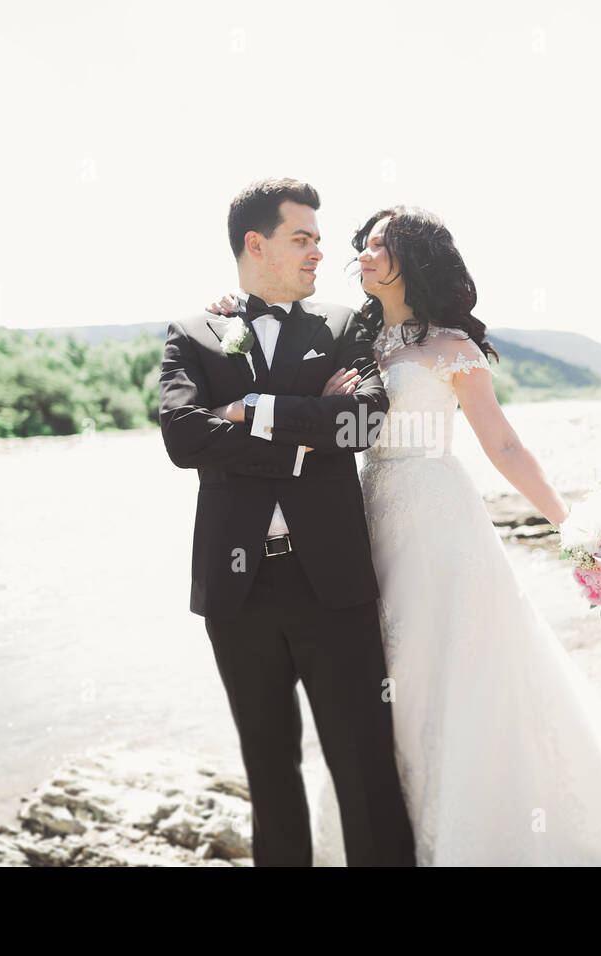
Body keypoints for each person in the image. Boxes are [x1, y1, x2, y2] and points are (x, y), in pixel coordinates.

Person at [205, 204, 601, 866]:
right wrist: (232, 308)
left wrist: (571, 521)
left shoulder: (451, 348)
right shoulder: (355, 337)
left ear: (414, 257)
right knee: (378, 677)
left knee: (445, 668)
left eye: (379, 246)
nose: (363, 257)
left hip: (436, 521)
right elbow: (283, 337)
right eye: (362, 247)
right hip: (361, 521)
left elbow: (503, 443)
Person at [158, 178, 415, 866]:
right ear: (256, 244)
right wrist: (303, 446)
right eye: (302, 238)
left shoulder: (342, 326)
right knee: (270, 777)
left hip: (331, 582)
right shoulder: (194, 332)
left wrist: (250, 413)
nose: (317, 253)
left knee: (365, 769)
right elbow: (184, 437)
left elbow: (362, 418)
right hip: (236, 596)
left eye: (317, 240)